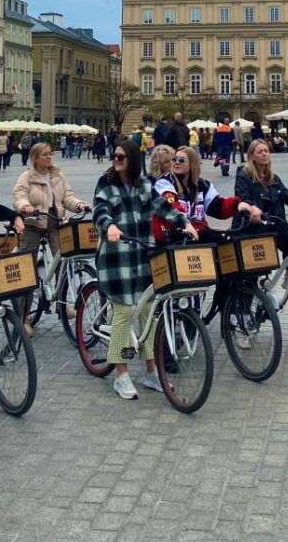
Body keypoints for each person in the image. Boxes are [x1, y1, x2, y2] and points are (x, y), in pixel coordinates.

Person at [92, 140, 199, 400]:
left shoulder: (144, 184)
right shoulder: (106, 183)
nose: (116, 160)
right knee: (125, 312)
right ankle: (121, 374)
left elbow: (162, 207)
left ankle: (152, 371)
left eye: (121, 157)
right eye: (114, 156)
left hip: (142, 256)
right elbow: (99, 210)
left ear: (132, 159)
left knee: (148, 314)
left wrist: (184, 221)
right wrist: (109, 226)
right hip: (116, 259)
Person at [12, 142, 90, 334]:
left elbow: (67, 197)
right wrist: (25, 207)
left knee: (64, 259)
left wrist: (79, 205)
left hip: (55, 222)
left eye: (50, 154)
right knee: (27, 267)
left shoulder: (57, 175)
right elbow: (19, 196)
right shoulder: (27, 177)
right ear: (35, 158)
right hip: (33, 224)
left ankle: (62, 304)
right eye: (45, 154)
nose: (49, 157)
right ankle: (24, 317)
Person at [153, 146, 255, 244]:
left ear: (192, 164)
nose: (176, 163)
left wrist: (237, 204)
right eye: (174, 159)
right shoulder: (165, 182)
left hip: (199, 232)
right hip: (174, 234)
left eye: (182, 160)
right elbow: (171, 206)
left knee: (227, 244)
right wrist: (184, 222)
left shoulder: (203, 185)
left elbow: (218, 207)